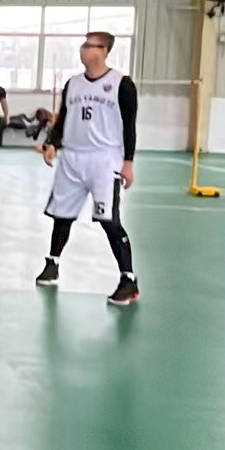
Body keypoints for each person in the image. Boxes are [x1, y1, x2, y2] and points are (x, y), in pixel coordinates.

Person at [35, 31, 139, 305]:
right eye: (83, 45)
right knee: (62, 215)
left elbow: (129, 126)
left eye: (90, 46)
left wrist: (128, 163)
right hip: (72, 158)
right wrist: (52, 143)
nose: (83, 49)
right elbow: (63, 118)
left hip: (104, 160)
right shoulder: (73, 84)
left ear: (104, 51)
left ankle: (128, 279)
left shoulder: (122, 84)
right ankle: (52, 263)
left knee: (108, 220)